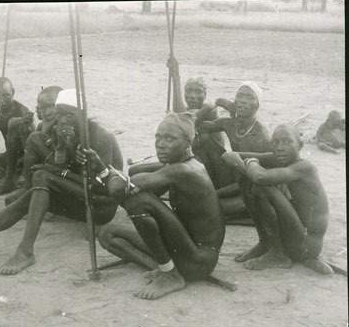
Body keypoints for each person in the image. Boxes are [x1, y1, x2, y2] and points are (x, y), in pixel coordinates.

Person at [0, 89, 123, 275]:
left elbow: (105, 189)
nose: (62, 120)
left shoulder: (100, 137)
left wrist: (55, 172)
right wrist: (61, 147)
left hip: (99, 206)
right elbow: (63, 164)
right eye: (59, 114)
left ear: (82, 114)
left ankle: (25, 251)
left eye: (69, 115)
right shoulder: (65, 130)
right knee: (30, 196)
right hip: (79, 197)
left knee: (42, 177)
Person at [94, 112, 225, 300]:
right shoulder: (176, 165)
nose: (161, 144)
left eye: (170, 139)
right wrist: (107, 174)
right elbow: (125, 196)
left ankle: (170, 274)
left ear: (188, 143)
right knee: (107, 234)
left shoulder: (184, 170)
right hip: (185, 250)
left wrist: (104, 171)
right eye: (158, 137)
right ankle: (166, 268)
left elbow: (124, 192)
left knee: (138, 201)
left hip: (199, 260)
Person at [221, 124, 334, 275]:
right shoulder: (278, 158)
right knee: (246, 180)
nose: (280, 148)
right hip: (292, 235)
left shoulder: (305, 168)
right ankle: (266, 243)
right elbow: (228, 155)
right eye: (275, 143)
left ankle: (279, 255)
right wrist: (249, 169)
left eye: (287, 142)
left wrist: (251, 162)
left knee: (261, 187)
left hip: (307, 244)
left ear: (300, 145)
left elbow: (260, 177)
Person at [198, 82, 272, 222]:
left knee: (206, 210)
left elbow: (260, 179)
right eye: (240, 96)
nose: (243, 101)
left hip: (250, 187)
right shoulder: (229, 123)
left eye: (249, 97)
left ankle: (217, 197)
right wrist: (216, 102)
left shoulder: (260, 135)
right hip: (232, 178)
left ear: (257, 105)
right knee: (205, 138)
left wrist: (214, 194)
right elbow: (194, 126)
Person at [166, 56, 229, 188]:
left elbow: (183, 118)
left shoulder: (210, 111)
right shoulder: (188, 110)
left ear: (205, 95)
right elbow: (181, 114)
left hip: (213, 172)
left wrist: (175, 76)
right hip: (196, 166)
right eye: (189, 91)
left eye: (198, 91)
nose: (193, 96)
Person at [0, 77, 35, 196]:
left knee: (13, 123)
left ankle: (10, 178)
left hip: (24, 156)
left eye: (5, 95)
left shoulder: (22, 111)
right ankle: (7, 174)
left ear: (13, 92)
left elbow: (31, 145)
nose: (0, 100)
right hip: (9, 156)